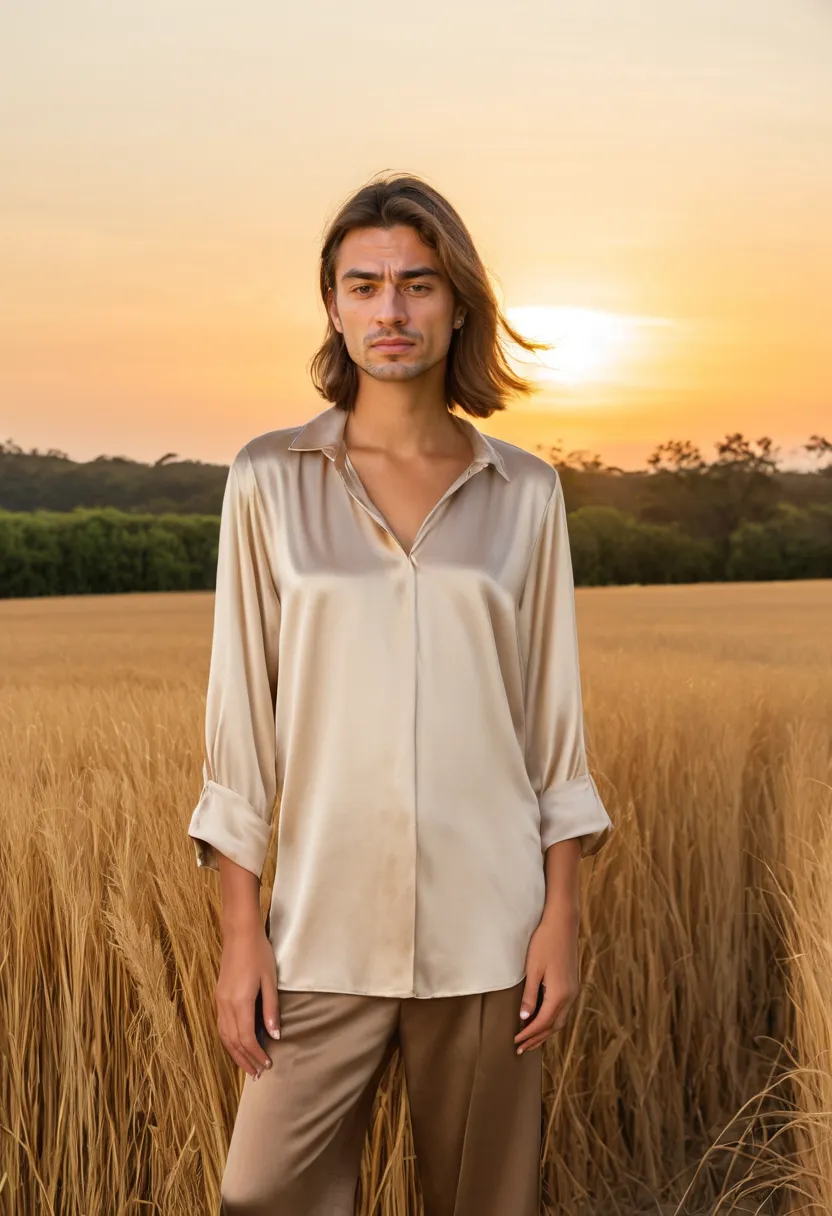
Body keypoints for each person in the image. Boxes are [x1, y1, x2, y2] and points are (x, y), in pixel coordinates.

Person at [187, 171, 613, 1216]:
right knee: (260, 1190)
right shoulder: (268, 481)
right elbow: (240, 734)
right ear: (331, 305)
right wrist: (244, 934)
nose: (391, 309)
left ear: (457, 301)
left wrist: (559, 915)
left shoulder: (526, 493)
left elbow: (552, 733)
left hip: (490, 936)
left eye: (418, 284)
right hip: (320, 931)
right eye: (364, 284)